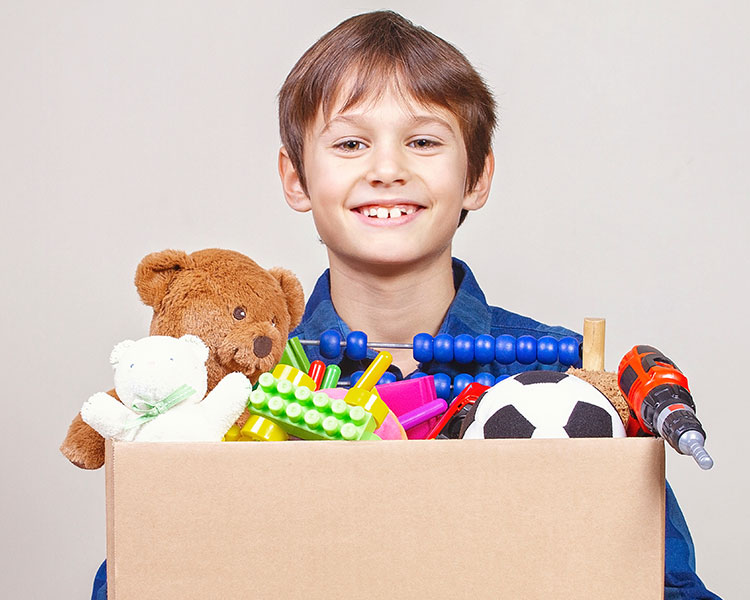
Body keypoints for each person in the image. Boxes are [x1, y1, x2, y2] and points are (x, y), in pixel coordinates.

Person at [276, 10, 721, 600]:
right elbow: (150, 554)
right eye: (351, 143)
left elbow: (667, 585)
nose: (387, 170)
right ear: (297, 179)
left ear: (477, 177)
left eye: (424, 141)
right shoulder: (242, 379)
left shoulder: (569, 386)